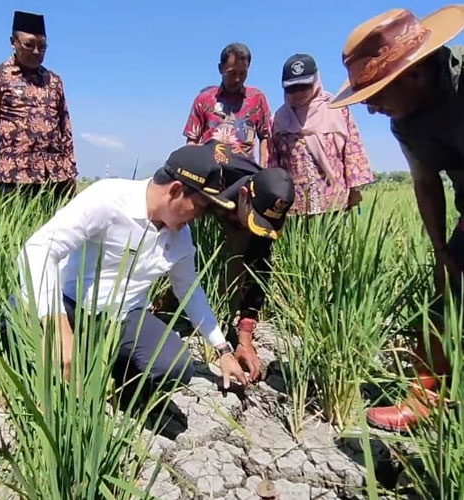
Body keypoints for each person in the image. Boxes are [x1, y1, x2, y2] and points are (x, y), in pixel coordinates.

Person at [19, 144, 254, 433]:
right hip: (67, 305)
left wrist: (223, 349)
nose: (199, 218)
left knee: (175, 366)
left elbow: (189, 290)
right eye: (201, 207)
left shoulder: (180, 235)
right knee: (15, 317)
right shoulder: (108, 199)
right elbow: (39, 249)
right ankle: (66, 361)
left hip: (122, 317)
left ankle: (122, 388)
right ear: (176, 190)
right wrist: (57, 326)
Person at [330, 5, 464, 432]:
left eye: (377, 96)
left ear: (415, 73)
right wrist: (442, 252)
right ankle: (429, 397)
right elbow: (426, 183)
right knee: (448, 294)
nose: (371, 111)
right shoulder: (406, 122)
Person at [154, 141, 295, 383]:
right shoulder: (208, 179)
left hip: (230, 206)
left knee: (244, 252)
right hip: (205, 188)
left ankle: (202, 308)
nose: (257, 227)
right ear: (243, 195)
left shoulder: (264, 198)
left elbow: (258, 273)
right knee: (175, 236)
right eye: (254, 219)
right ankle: (161, 303)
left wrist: (245, 340)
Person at [0, 11, 76, 200]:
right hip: (13, 175)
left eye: (42, 47)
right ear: (13, 42)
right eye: (29, 45)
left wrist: (70, 170)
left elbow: (64, 128)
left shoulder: (54, 81)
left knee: (54, 229)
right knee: (18, 227)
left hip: (54, 176)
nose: (36, 52)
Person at [270, 54, 374, 215]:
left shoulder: (336, 109)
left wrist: (355, 189)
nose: (298, 93)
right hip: (294, 207)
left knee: (333, 240)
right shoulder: (278, 119)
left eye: (304, 86)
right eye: (292, 88)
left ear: (316, 81)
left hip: (335, 202)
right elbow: (273, 162)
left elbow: (353, 150)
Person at [183, 43, 272, 167]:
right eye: (232, 73)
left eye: (242, 74)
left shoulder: (257, 98)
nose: (237, 79)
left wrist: (262, 168)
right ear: (220, 69)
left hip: (245, 174)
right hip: (209, 171)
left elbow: (266, 137)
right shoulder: (204, 99)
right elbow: (192, 142)